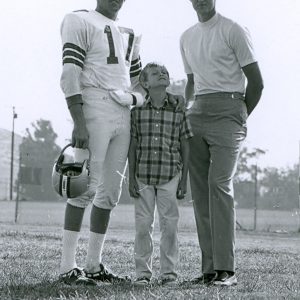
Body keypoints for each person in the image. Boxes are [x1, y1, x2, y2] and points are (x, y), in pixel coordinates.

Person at [59, 0, 184, 286]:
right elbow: (69, 73)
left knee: (110, 192)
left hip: (122, 111)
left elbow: (139, 82)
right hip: (93, 105)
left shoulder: (129, 31)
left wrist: (136, 99)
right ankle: (68, 266)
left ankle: (93, 264)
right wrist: (78, 120)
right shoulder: (80, 20)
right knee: (83, 187)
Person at [180, 0, 264, 286]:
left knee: (219, 184)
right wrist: (188, 110)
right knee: (201, 192)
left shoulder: (233, 30)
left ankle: (227, 270)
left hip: (230, 110)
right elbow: (191, 82)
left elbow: (257, 83)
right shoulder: (186, 37)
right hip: (197, 112)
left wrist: (239, 116)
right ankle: (209, 269)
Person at [128, 63, 193, 286]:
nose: (162, 74)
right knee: (143, 225)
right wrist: (130, 177)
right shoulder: (137, 111)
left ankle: (169, 274)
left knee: (170, 226)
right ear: (145, 83)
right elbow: (133, 144)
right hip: (143, 175)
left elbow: (185, 143)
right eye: (156, 73)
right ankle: (142, 274)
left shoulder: (178, 109)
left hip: (170, 174)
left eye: (165, 72)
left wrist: (183, 179)